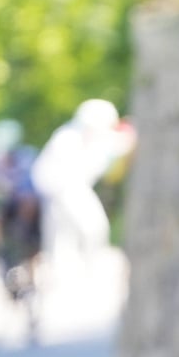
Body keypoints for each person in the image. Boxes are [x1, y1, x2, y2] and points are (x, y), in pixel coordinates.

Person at [30, 99, 137, 273]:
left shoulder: (82, 137)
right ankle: (85, 271)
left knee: (73, 235)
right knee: (86, 230)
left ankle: (82, 271)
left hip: (65, 192)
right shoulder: (69, 138)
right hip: (65, 191)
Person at [0, 119, 41, 301]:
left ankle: (27, 247)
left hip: (28, 206)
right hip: (7, 204)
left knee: (28, 202)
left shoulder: (27, 156)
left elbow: (33, 187)